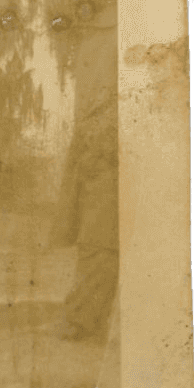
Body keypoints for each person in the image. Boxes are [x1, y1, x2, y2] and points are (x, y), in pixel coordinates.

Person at [50, 90, 119, 343]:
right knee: (97, 270)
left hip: (105, 216)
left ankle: (88, 325)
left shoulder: (102, 122)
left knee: (102, 272)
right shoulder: (102, 127)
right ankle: (78, 324)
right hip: (99, 217)